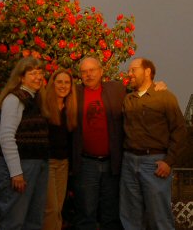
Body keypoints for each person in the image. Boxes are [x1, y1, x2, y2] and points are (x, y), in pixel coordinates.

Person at [119, 57, 186, 230]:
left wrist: (169, 161)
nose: (130, 73)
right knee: (130, 218)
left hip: (154, 163)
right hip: (129, 162)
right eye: (129, 70)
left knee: (160, 218)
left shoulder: (165, 97)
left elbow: (179, 130)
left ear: (147, 71)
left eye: (134, 69)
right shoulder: (128, 99)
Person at [0, 56, 50, 230]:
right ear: (21, 77)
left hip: (37, 165)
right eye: (32, 73)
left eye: (40, 73)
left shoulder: (36, 99)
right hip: (21, 168)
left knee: (34, 220)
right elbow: (6, 137)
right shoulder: (14, 99)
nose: (38, 76)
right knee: (13, 221)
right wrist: (16, 173)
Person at [72, 55, 126, 230]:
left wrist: (157, 86)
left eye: (92, 70)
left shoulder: (116, 89)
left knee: (111, 214)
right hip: (86, 163)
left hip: (111, 164)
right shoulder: (74, 93)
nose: (88, 75)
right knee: (86, 214)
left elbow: (140, 92)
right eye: (84, 71)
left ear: (101, 71)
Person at [42, 68, 77, 230]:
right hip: (47, 163)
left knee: (58, 209)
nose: (63, 86)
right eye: (59, 82)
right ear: (53, 84)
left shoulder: (70, 108)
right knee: (51, 208)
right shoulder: (44, 107)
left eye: (67, 82)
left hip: (63, 164)